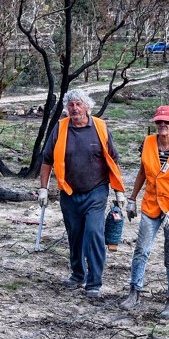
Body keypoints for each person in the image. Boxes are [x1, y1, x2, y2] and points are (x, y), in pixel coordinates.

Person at [37, 89, 126, 299]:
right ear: (66, 108)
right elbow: (47, 160)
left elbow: (113, 160)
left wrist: (119, 192)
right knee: (75, 235)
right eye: (70, 105)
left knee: (94, 233)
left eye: (78, 104)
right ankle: (78, 275)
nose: (74, 109)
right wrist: (43, 189)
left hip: (96, 191)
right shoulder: (60, 128)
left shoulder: (100, 127)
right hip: (68, 192)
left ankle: (94, 282)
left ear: (87, 106)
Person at [120, 105, 169, 318]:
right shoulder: (147, 143)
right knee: (141, 250)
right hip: (152, 205)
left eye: (167, 122)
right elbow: (143, 172)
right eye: (159, 122)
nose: (162, 125)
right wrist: (132, 198)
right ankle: (134, 293)